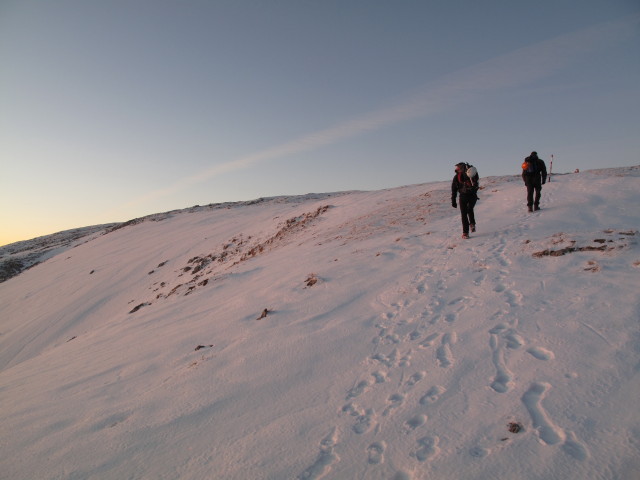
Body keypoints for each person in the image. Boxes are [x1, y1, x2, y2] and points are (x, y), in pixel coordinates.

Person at [451, 162, 479, 239]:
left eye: (457, 167)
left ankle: (465, 233)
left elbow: (454, 190)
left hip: (463, 196)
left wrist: (453, 200)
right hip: (473, 195)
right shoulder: (473, 174)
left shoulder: (457, 176)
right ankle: (472, 224)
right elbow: (476, 182)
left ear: (459, 168)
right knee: (470, 209)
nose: (455, 169)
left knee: (464, 214)